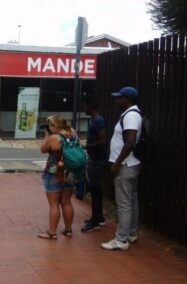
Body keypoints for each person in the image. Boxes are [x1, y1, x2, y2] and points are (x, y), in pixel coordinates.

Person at [101, 86, 142, 251]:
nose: (117, 100)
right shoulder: (131, 114)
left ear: (127, 100)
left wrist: (117, 163)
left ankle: (121, 240)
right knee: (132, 199)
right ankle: (131, 233)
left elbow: (130, 142)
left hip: (126, 165)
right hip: (131, 163)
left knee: (124, 203)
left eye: (119, 98)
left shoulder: (131, 116)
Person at [37, 114, 78, 239]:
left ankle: (52, 232)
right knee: (66, 201)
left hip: (54, 172)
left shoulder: (54, 138)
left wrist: (47, 135)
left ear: (54, 126)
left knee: (54, 204)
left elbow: (43, 149)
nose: (48, 127)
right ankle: (68, 229)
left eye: (50, 125)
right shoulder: (72, 133)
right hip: (70, 172)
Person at [81, 95, 108, 233]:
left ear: (90, 106)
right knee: (96, 190)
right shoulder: (95, 120)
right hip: (96, 160)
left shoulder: (98, 121)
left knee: (95, 190)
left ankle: (95, 221)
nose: (83, 108)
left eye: (85, 105)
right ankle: (100, 217)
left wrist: (89, 146)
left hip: (98, 161)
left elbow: (103, 140)